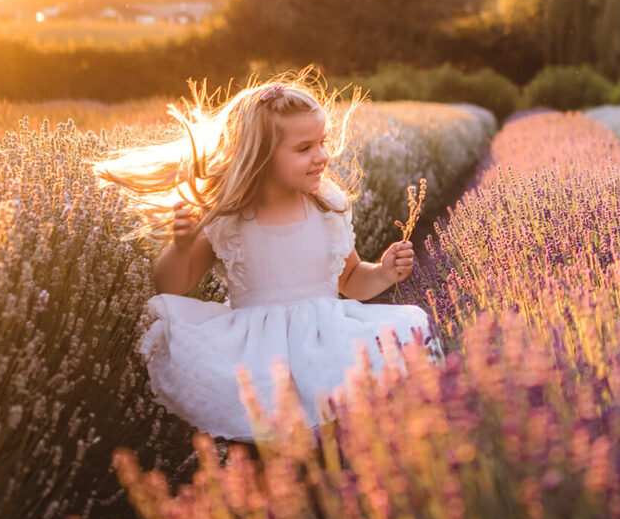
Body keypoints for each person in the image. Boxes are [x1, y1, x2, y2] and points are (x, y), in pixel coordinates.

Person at [94, 71, 440, 442]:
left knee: (336, 433)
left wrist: (384, 273)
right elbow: (172, 285)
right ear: (260, 155)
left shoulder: (328, 207)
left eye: (321, 143)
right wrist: (180, 247)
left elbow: (352, 280)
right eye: (304, 148)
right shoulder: (228, 218)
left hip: (325, 342)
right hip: (258, 354)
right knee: (279, 443)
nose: (321, 156)